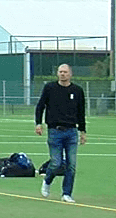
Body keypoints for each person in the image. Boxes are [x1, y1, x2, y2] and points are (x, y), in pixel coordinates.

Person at [34, 63, 86, 203]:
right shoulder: (50, 88)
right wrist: (38, 123)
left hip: (71, 132)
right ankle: (47, 181)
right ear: (57, 73)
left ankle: (66, 193)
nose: (62, 74)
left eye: (65, 72)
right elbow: (40, 106)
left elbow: (81, 112)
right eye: (60, 72)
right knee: (56, 163)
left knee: (71, 164)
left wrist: (83, 131)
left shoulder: (77, 90)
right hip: (54, 131)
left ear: (70, 74)